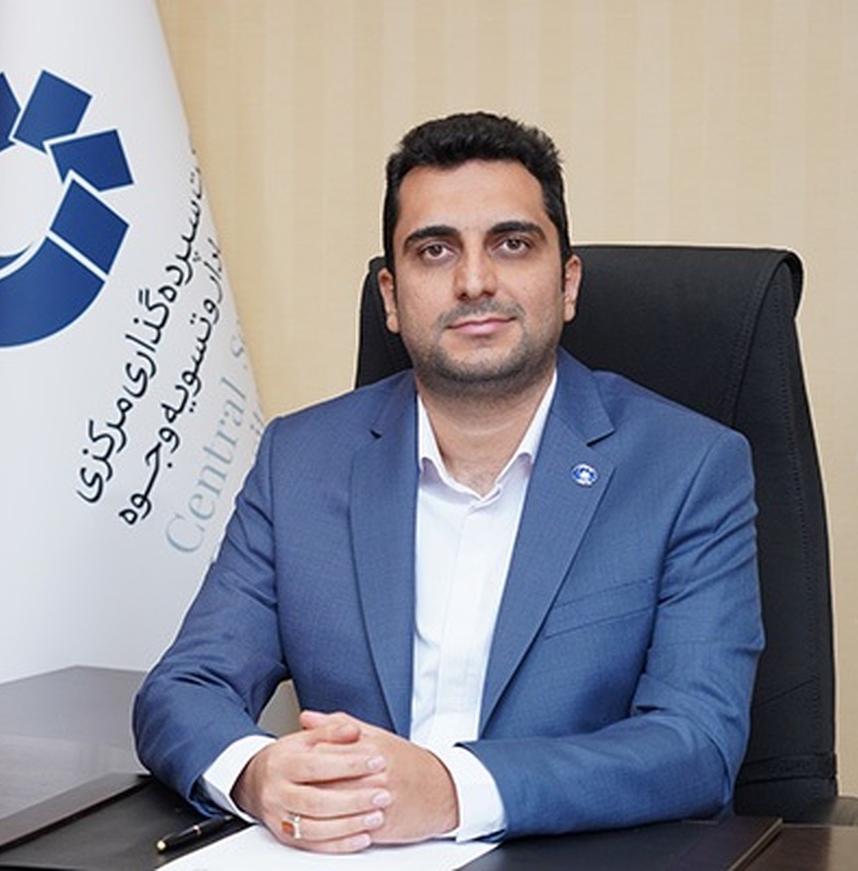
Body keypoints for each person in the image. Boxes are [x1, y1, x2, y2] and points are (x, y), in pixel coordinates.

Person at [132, 112, 763, 854]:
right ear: (391, 298)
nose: (474, 282)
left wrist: (450, 790)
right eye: (435, 251)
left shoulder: (689, 468)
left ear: (567, 283)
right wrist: (256, 771)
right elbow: (185, 687)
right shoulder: (299, 461)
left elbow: (695, 743)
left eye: (512, 244)